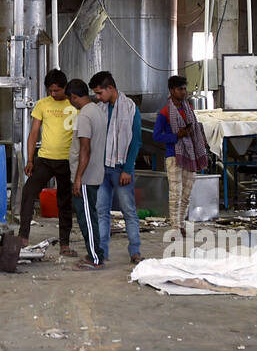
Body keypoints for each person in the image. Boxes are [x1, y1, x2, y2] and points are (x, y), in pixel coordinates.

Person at [88, 71, 144, 264]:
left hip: (121, 169)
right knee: (101, 211)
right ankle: (102, 252)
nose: (97, 97)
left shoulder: (130, 108)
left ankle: (135, 251)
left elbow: (135, 141)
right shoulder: (100, 108)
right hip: (102, 169)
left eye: (99, 93)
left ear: (110, 88)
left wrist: (128, 170)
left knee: (129, 211)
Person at [18, 69, 76, 255]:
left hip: (67, 161)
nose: (53, 94)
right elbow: (33, 133)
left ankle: (64, 244)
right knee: (28, 193)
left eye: (56, 90)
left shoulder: (75, 104)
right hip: (44, 159)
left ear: (65, 88)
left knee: (64, 202)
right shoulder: (42, 104)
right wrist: (30, 159)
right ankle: (23, 236)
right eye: (50, 90)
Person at [153, 74, 209, 236]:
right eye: (180, 89)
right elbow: (157, 136)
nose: (184, 92)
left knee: (186, 193)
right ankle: (175, 227)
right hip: (174, 155)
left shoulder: (188, 108)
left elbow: (196, 129)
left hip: (190, 154)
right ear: (171, 90)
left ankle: (182, 222)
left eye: (185, 89)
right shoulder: (164, 112)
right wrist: (177, 135)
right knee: (175, 193)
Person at [67, 78, 107, 270]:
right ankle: (95, 253)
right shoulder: (97, 110)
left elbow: (85, 149)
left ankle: (95, 258)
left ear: (74, 97)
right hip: (94, 172)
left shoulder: (84, 115)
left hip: (86, 176)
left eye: (70, 99)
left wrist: (78, 178)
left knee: (87, 218)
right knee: (90, 215)